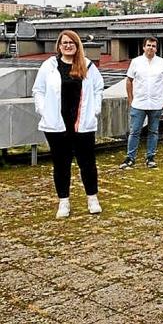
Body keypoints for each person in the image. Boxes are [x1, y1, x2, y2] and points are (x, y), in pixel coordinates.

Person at [32, 30, 105, 218]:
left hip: (82, 123)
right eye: (64, 42)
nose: (68, 45)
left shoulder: (87, 65)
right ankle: (63, 202)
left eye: (71, 42)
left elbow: (98, 88)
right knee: (61, 164)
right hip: (57, 124)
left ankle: (92, 198)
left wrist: (95, 108)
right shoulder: (49, 66)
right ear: (59, 45)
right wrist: (42, 109)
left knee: (87, 163)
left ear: (77, 45)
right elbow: (38, 90)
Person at [120, 37, 163, 170]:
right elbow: (129, 80)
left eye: (153, 46)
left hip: (156, 103)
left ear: (156, 48)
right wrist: (130, 98)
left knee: (153, 132)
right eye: (148, 45)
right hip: (139, 103)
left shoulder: (162, 63)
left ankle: (150, 158)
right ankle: (130, 158)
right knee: (134, 131)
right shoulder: (136, 62)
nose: (151, 48)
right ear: (143, 47)